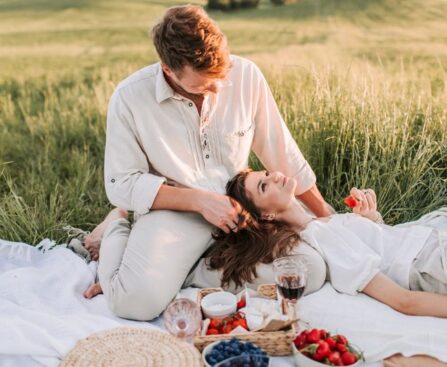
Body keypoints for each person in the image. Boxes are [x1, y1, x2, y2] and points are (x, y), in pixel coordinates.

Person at [84, 5, 332, 320]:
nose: (218, 89)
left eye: (222, 75)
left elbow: (281, 151)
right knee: (134, 302)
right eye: (203, 85)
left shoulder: (246, 74)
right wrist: (199, 201)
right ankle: (118, 225)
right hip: (176, 212)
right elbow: (121, 183)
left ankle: (187, 270)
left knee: (310, 269)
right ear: (168, 70)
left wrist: (325, 217)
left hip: (242, 211)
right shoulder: (130, 98)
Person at [201, 169, 447, 318]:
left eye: (265, 173)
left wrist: (370, 219)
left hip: (430, 238)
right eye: (264, 186)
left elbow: (383, 245)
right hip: (432, 262)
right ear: (267, 216)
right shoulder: (321, 241)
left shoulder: (320, 223)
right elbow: (403, 301)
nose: (274, 174)